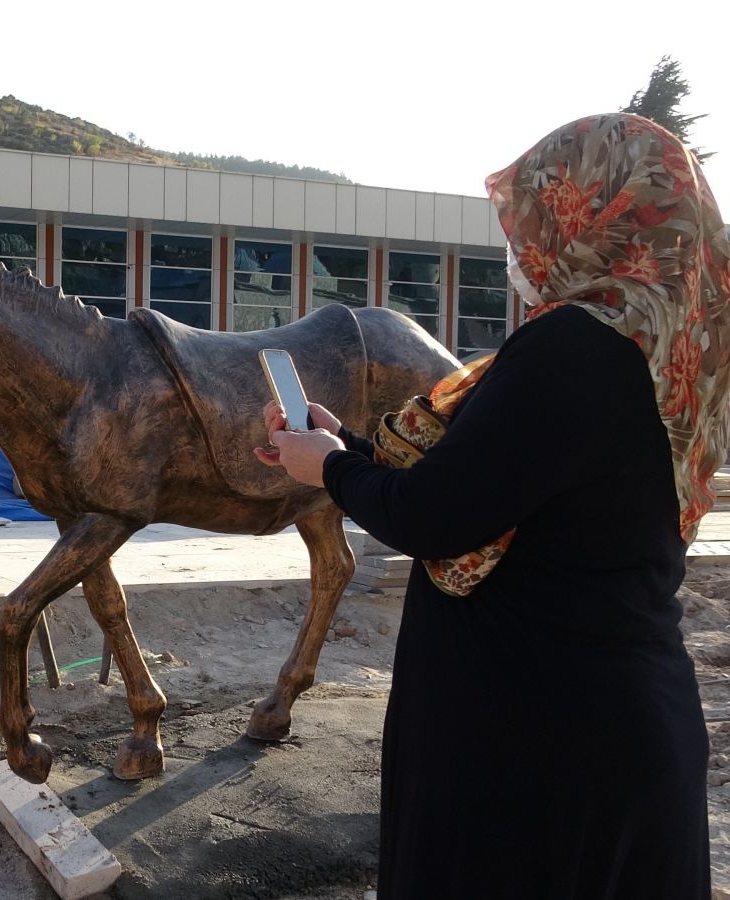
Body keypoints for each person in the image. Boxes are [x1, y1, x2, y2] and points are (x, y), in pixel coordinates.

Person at [258, 113, 726, 898]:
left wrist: (331, 470)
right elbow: (501, 481)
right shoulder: (662, 346)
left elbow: (436, 517)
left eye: (535, 218)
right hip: (603, 719)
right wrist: (350, 448)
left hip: (539, 746)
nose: (519, 246)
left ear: (591, 216)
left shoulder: (576, 345)